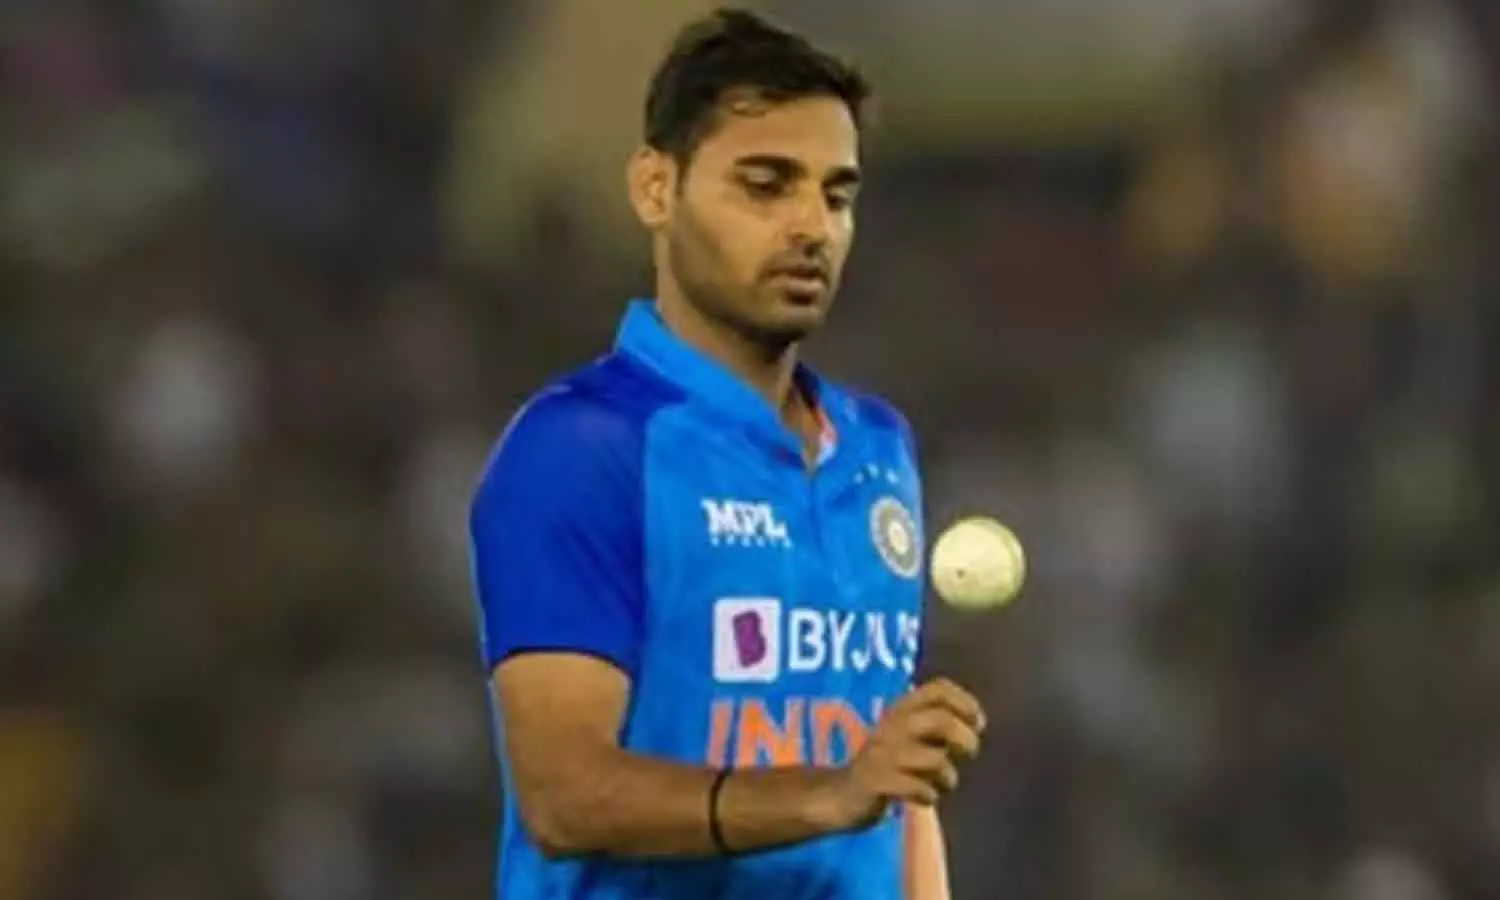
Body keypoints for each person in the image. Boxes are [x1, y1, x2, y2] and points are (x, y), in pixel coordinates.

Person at [468, 9, 986, 899]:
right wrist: (829, 793)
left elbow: (893, 783)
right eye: (766, 184)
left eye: (837, 195)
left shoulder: (878, 449)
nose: (811, 226)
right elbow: (564, 795)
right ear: (655, 189)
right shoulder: (580, 449)